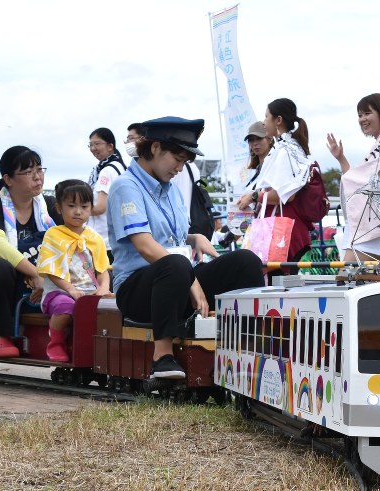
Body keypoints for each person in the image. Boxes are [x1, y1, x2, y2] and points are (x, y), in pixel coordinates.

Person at [107, 117, 265, 379]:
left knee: (245, 261)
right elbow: (146, 245)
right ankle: (162, 356)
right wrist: (191, 279)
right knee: (176, 265)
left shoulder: (171, 189)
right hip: (139, 290)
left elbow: (168, 237)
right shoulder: (126, 186)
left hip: (177, 279)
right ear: (155, 148)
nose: (180, 168)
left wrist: (193, 238)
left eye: (184, 162)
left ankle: (248, 347)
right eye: (177, 159)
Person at [0, 146, 55, 358]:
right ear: (8, 179)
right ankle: (2, 337)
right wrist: (35, 273)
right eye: (28, 172)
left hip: (44, 284)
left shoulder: (50, 205)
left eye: (39, 169)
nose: (37, 177)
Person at [327, 93, 380, 262]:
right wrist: (341, 158)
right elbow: (359, 180)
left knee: (349, 274)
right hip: (373, 224)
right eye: (359, 115)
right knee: (359, 278)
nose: (362, 119)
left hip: (377, 224)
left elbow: (373, 183)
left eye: (367, 113)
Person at [37, 180, 111, 362]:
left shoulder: (95, 238)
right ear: (59, 208)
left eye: (84, 206)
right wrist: (70, 289)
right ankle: (55, 342)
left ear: (91, 208)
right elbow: (51, 271)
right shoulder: (53, 235)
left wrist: (103, 288)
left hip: (89, 293)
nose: (78, 211)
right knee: (65, 306)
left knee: (112, 309)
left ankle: (100, 350)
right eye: (71, 206)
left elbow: (103, 269)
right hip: (59, 292)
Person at [236, 98, 313, 264]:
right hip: (284, 230)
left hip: (282, 233)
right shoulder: (287, 147)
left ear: (278, 120)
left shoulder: (285, 150)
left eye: (266, 117)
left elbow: (285, 194)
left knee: (277, 284)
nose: (264, 123)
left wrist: (254, 196)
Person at [87, 128, 126, 261]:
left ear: (110, 146)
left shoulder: (106, 171)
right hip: (116, 236)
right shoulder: (120, 166)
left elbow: (100, 207)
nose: (93, 148)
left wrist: (74, 210)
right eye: (91, 145)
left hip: (103, 238)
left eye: (97, 144)